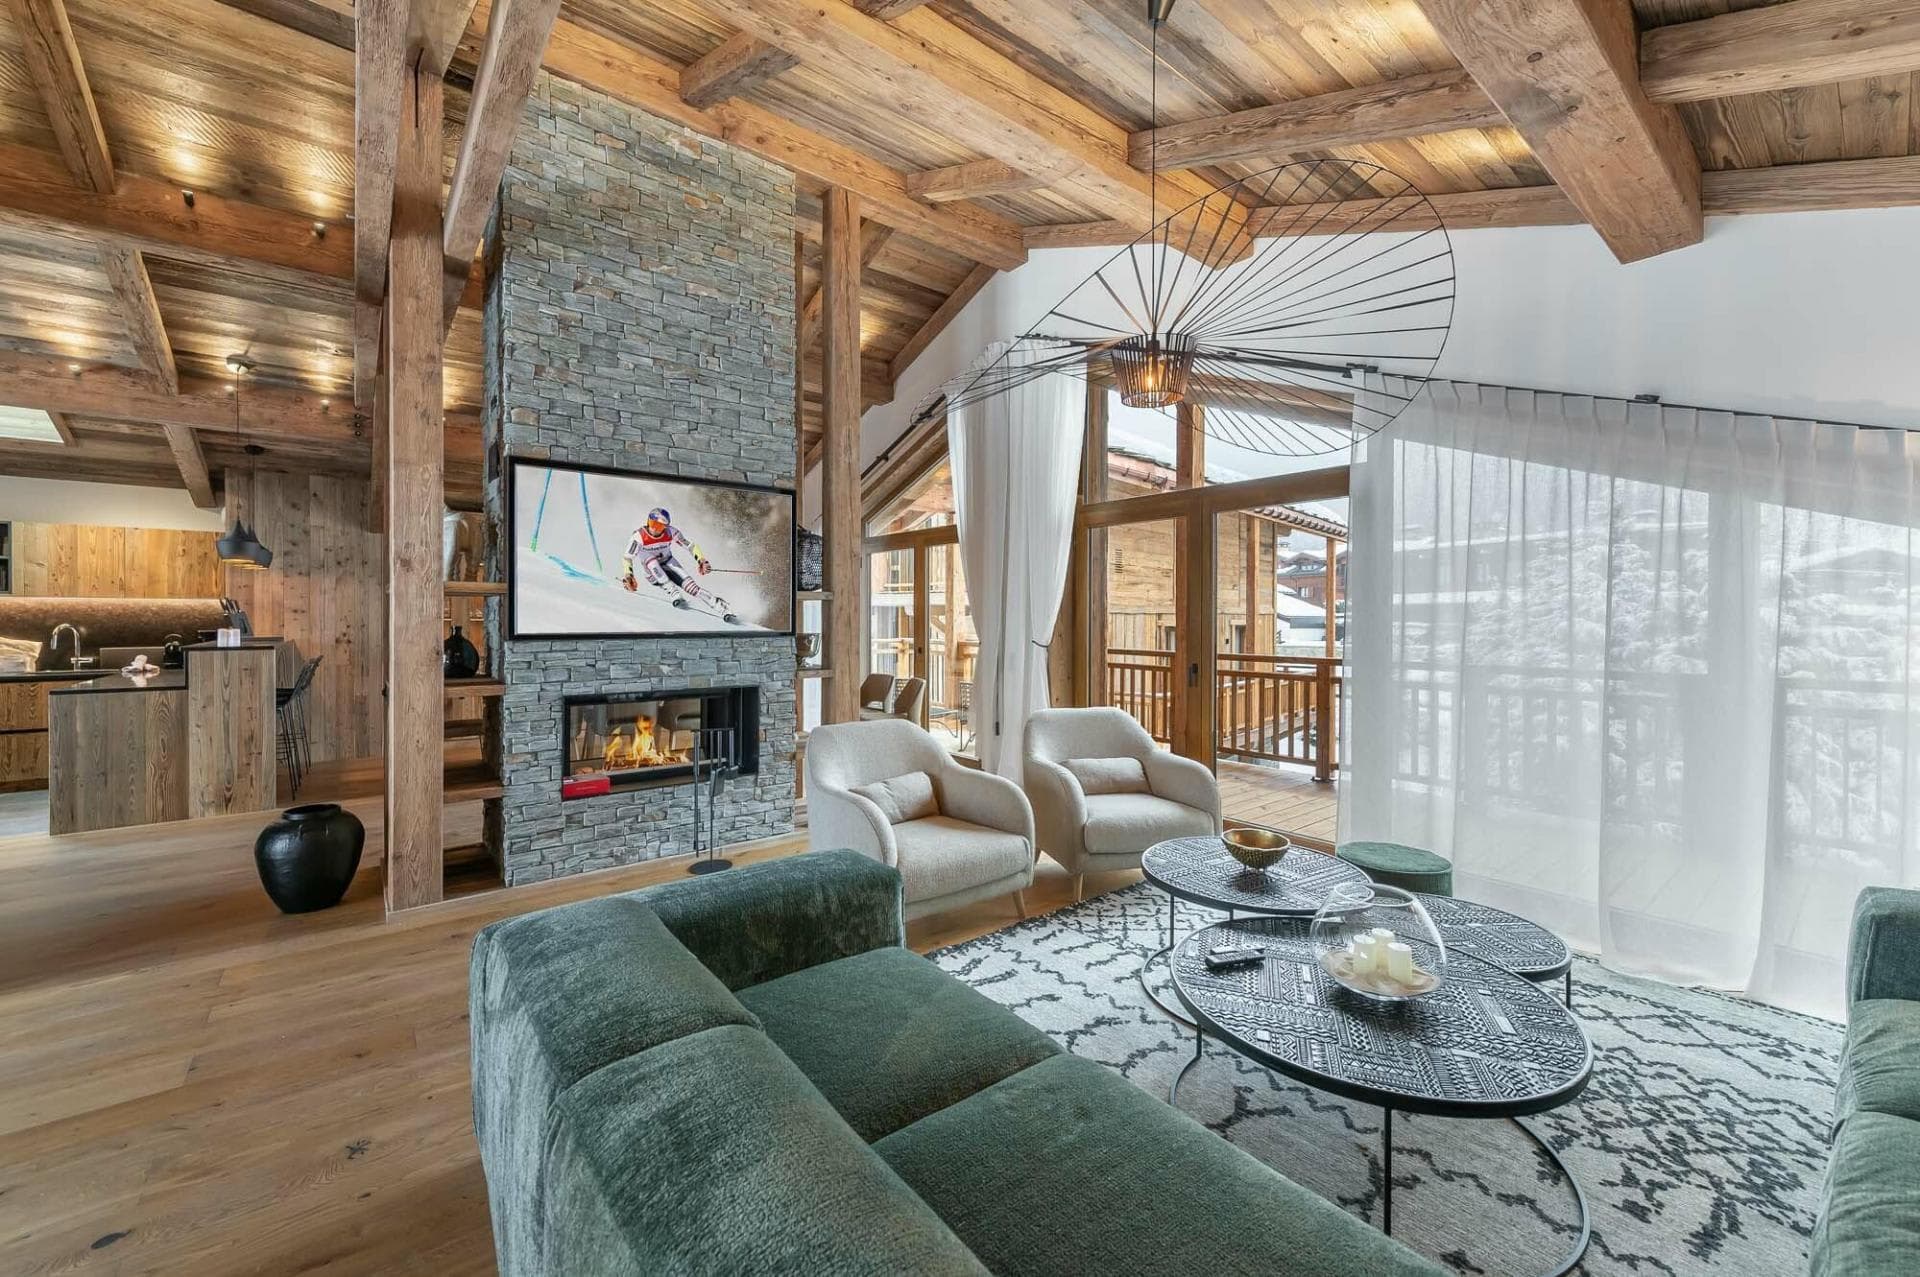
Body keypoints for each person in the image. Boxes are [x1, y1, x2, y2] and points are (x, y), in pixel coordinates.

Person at [621, 507, 729, 615]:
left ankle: (719, 606)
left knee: (692, 588)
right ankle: (673, 592)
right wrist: (629, 575)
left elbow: (690, 546)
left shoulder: (671, 532)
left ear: (665, 527)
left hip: (668, 563)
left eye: (659, 526)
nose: (654, 529)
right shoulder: (638, 537)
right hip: (652, 574)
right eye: (652, 524)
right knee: (651, 562)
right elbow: (628, 558)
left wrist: (701, 560)